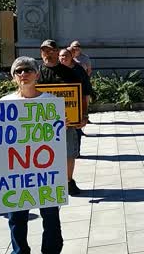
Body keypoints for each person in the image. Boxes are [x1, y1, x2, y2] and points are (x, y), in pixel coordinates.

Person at [3, 56, 64, 254]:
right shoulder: (5, 103)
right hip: (17, 173)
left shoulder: (50, 102)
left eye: (27, 70)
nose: (23, 74)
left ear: (37, 74)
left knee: (51, 217)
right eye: (18, 71)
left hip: (45, 172)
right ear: (13, 77)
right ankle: (19, 251)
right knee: (16, 219)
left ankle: (51, 250)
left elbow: (57, 136)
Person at [38, 40, 86, 196]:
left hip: (67, 120)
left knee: (69, 153)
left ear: (56, 51)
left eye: (50, 50)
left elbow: (81, 95)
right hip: (41, 122)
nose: (47, 53)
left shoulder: (70, 72)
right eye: (44, 50)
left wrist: (83, 115)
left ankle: (68, 181)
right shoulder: (35, 73)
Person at [59, 48, 93, 155]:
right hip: (59, 108)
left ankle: (75, 152)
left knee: (75, 130)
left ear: (71, 57)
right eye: (61, 56)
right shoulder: (54, 70)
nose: (63, 58)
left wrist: (85, 112)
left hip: (75, 106)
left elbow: (86, 90)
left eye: (65, 55)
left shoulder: (78, 70)